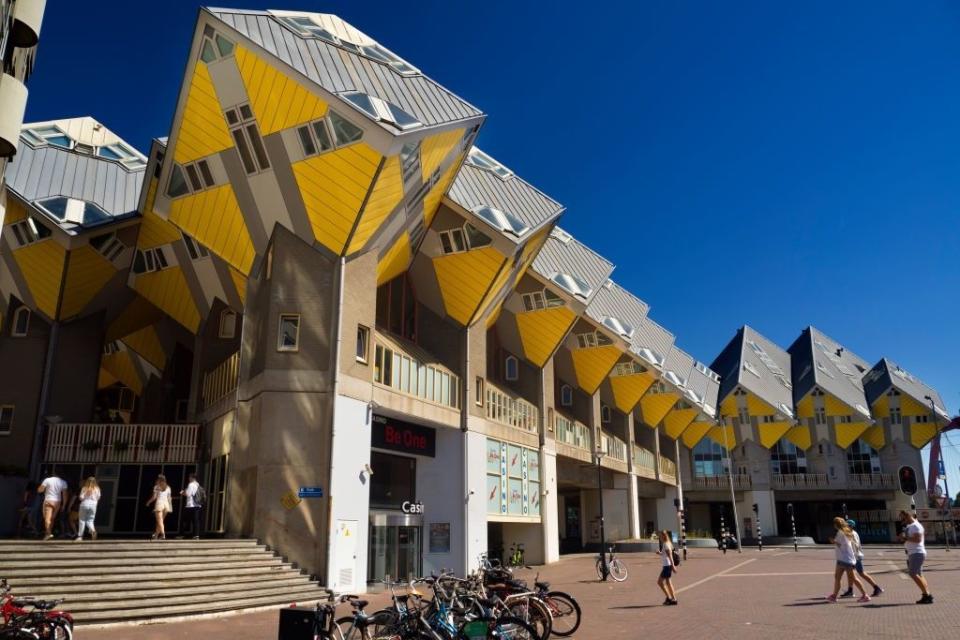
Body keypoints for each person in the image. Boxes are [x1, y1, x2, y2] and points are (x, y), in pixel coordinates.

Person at [826, 517, 870, 603]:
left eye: (834, 524)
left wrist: (834, 541)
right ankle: (834, 596)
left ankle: (865, 595)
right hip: (843, 559)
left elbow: (842, 545)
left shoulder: (841, 533)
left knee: (853, 578)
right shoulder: (845, 532)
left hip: (846, 560)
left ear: (836, 525)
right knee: (837, 577)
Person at [839, 519, 882, 598]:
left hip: (855, 557)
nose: (846, 526)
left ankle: (876, 587)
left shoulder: (852, 534)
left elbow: (854, 546)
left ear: (851, 526)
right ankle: (850, 590)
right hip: (854, 556)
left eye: (847, 525)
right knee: (851, 574)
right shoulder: (851, 533)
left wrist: (852, 557)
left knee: (861, 573)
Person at [897, 510, 932, 604]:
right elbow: (909, 539)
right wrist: (903, 537)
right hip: (913, 553)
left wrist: (905, 538)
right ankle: (927, 595)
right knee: (919, 575)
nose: (902, 521)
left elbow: (918, 539)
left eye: (903, 519)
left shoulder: (916, 526)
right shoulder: (909, 526)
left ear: (908, 516)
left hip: (917, 553)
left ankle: (927, 595)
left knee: (912, 574)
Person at [37, 472, 68, 540]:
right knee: (52, 518)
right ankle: (47, 534)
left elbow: (40, 490)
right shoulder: (63, 482)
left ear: (53, 474)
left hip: (48, 500)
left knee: (47, 518)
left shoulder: (47, 480)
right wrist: (64, 505)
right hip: (58, 502)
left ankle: (48, 533)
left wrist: (39, 488)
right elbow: (65, 495)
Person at [145, 474, 172, 540]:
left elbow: (154, 497)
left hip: (159, 504)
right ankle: (156, 535)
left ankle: (163, 535)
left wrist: (148, 502)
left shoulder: (156, 487)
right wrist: (170, 507)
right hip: (166, 505)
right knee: (160, 521)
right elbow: (169, 498)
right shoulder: (168, 487)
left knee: (159, 521)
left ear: (158, 480)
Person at [656, 530, 678, 605]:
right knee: (668, 583)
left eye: (660, 536)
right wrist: (660, 553)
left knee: (659, 582)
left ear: (663, 536)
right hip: (667, 565)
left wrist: (673, 566)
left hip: (667, 566)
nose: (659, 537)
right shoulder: (668, 543)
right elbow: (665, 554)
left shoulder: (666, 544)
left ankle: (669, 598)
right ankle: (673, 599)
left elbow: (670, 555)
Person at [75, 477, 101, 541]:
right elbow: (98, 498)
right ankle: (93, 530)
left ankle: (80, 536)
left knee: (82, 520)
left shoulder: (84, 488)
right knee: (90, 520)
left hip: (84, 505)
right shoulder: (97, 489)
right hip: (93, 506)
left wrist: (85, 494)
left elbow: (81, 498)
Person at [180, 473, 202, 540]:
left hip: (190, 505)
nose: (188, 479)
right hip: (197, 505)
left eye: (189, 477)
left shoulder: (191, 484)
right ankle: (196, 535)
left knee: (184, 520)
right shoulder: (198, 484)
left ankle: (182, 534)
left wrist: (182, 493)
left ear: (192, 478)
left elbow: (188, 494)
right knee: (196, 521)